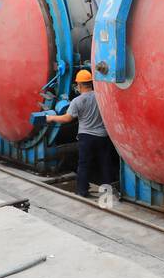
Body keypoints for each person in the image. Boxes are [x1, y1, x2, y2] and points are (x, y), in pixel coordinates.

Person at [47, 69, 118, 198]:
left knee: (84, 164)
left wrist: (51, 118)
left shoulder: (77, 101)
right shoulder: (101, 96)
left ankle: (82, 191)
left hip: (86, 137)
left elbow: (67, 119)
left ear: (79, 85)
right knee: (105, 163)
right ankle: (107, 191)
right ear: (91, 83)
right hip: (103, 136)